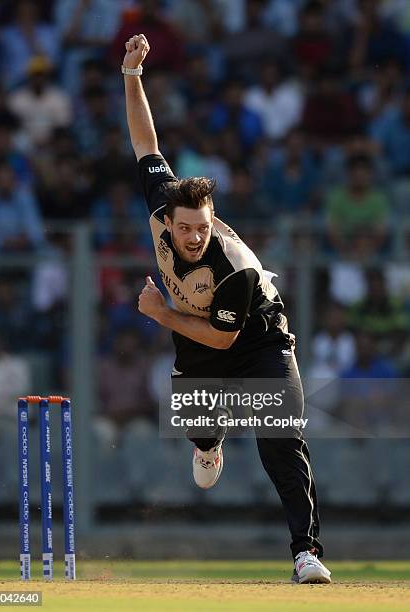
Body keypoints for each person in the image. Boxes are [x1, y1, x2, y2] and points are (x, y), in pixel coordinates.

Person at [122, 33, 331, 585]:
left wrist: (159, 312)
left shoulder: (234, 267)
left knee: (280, 435)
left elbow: (224, 342)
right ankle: (210, 444)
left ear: (214, 220)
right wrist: (132, 77)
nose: (194, 237)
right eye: (187, 228)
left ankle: (306, 553)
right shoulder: (163, 203)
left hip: (255, 334)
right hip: (197, 331)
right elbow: (145, 143)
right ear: (169, 218)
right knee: (196, 422)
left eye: (203, 227)